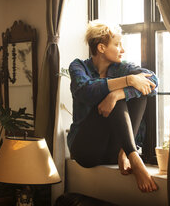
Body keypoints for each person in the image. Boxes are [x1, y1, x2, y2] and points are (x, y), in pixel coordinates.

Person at [67, 20, 158, 193]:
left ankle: (128, 152)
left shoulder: (123, 67)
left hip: (114, 151)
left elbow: (153, 81)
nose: (122, 50)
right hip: (86, 150)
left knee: (133, 94)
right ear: (101, 48)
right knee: (118, 92)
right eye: (117, 44)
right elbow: (86, 91)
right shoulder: (79, 66)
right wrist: (128, 81)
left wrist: (117, 94)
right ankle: (135, 157)